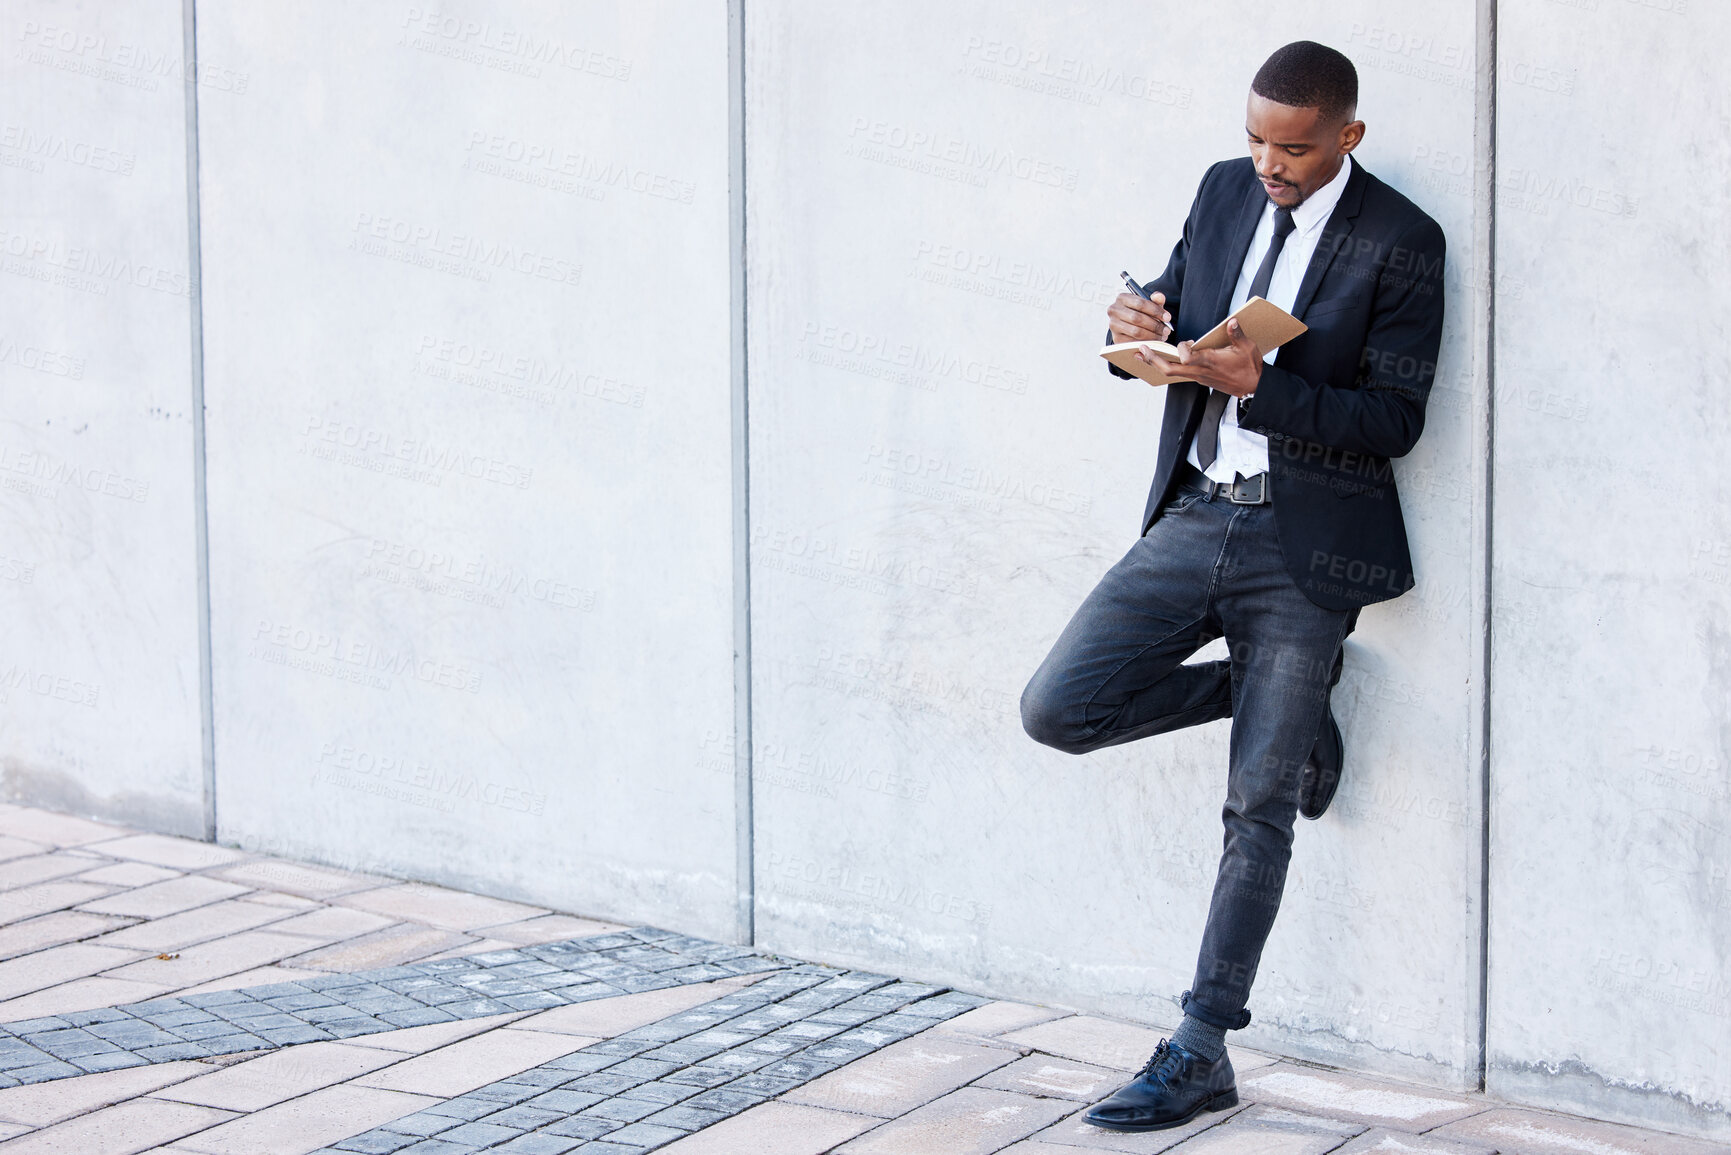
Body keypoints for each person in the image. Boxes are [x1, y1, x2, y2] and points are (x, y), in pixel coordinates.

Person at [1019, 40, 1446, 1131]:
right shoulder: (1220, 190)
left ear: (1346, 136)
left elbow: (1394, 422)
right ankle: (1292, 701)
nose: (1268, 161)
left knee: (1257, 805)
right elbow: (1173, 299)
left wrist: (1267, 389)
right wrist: (1136, 326)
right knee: (1059, 709)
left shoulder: (1402, 240)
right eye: (1256, 137)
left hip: (1304, 553)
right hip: (1197, 514)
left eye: (1294, 147)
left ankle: (1202, 1048)